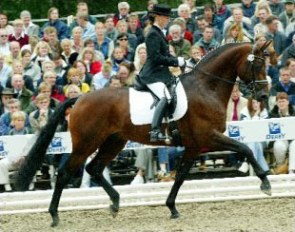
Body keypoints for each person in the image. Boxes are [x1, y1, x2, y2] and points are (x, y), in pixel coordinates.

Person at [138, 4, 186, 142]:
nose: (168, 20)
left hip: (161, 74)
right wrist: (176, 62)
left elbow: (165, 55)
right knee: (166, 97)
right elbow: (155, 57)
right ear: (158, 17)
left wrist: (181, 61)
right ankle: (155, 131)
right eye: (166, 17)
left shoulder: (159, 32)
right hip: (152, 75)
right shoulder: (153, 33)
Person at [240, 97, 271, 174]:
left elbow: (263, 130)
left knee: (254, 142)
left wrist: (256, 115)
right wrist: (256, 116)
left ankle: (247, 162)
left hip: (263, 139)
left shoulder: (264, 112)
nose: (256, 105)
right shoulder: (244, 112)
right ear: (250, 103)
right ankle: (265, 170)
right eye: (253, 102)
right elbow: (248, 129)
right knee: (254, 143)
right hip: (247, 139)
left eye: (258, 102)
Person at [269, 92, 295, 174]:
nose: (281, 103)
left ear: (288, 102)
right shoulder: (272, 114)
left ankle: (292, 170)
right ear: (276, 103)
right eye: (279, 101)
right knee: (278, 146)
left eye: (283, 101)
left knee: (294, 145)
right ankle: (280, 167)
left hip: (293, 138)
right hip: (280, 138)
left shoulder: (294, 112)